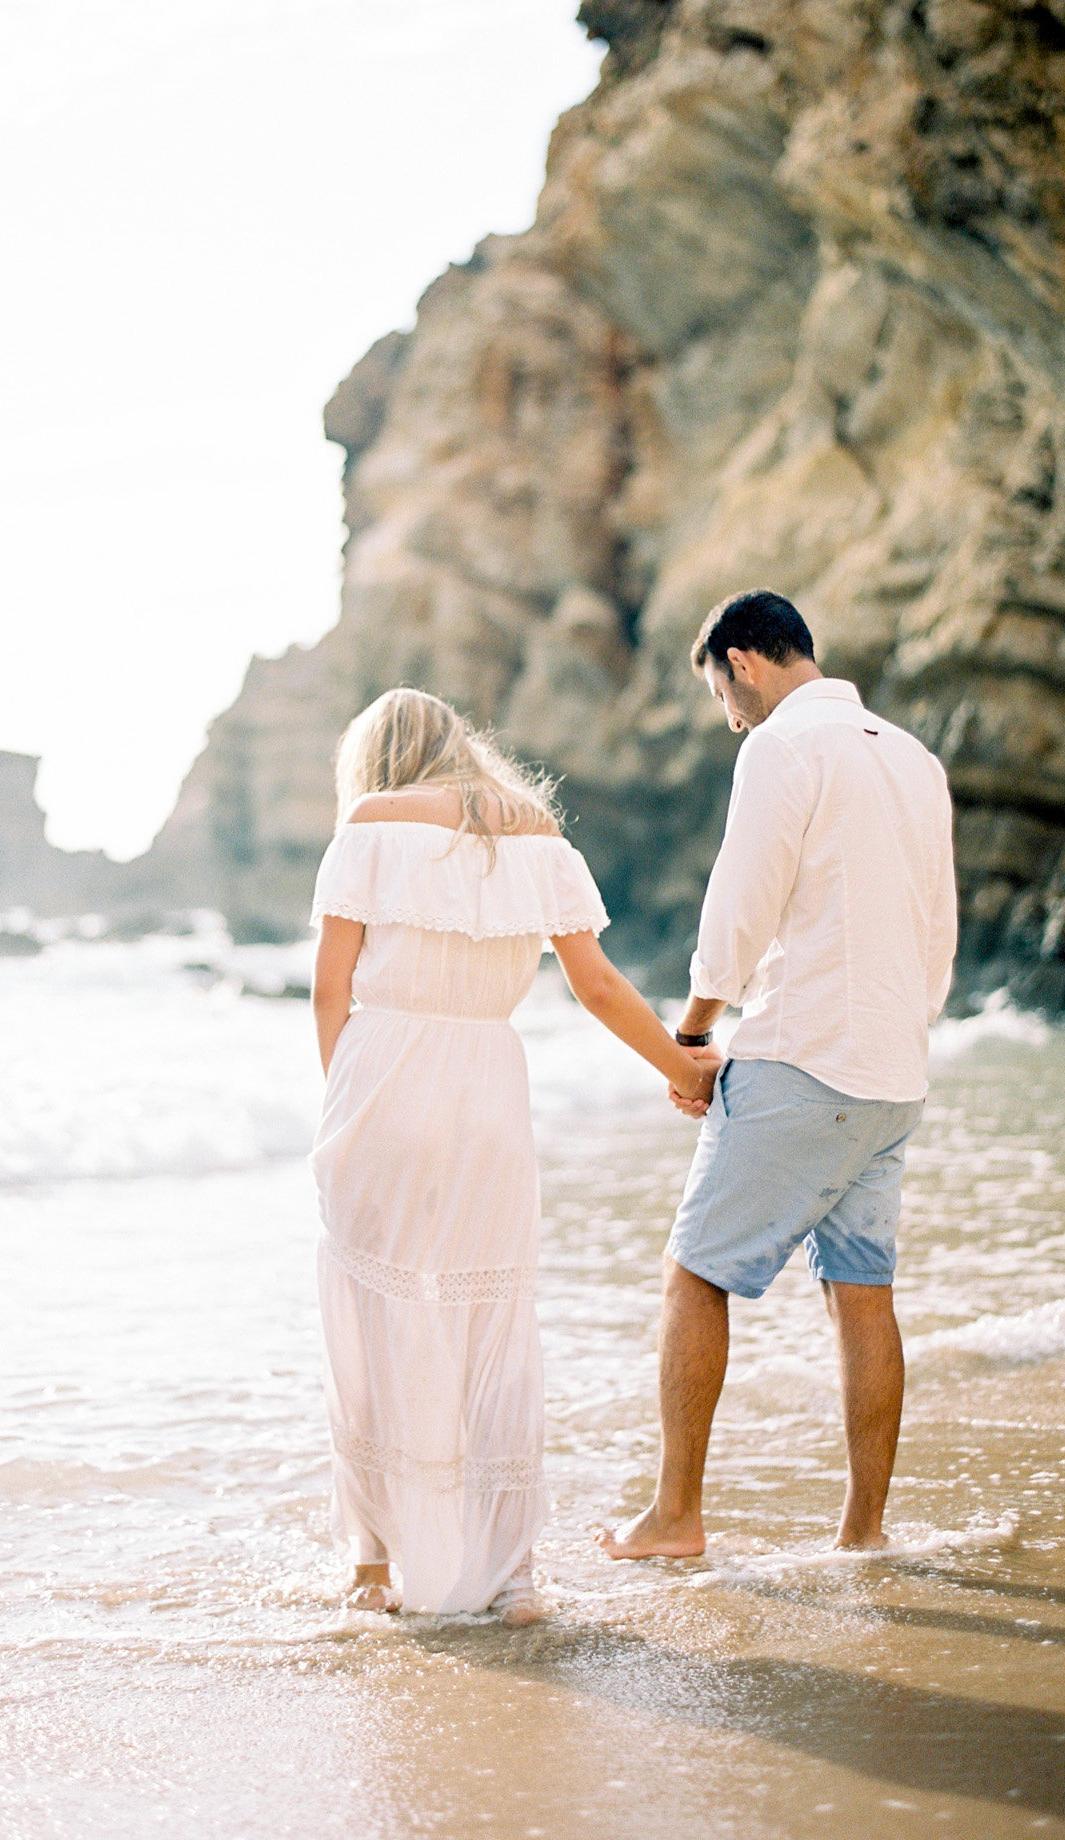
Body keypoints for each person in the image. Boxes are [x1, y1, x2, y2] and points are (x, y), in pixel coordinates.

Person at [309, 687, 719, 1623]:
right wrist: (683, 1068)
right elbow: (600, 987)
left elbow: (330, 992)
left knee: (371, 1318)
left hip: (381, 1079)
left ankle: (373, 1571)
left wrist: (346, 1106)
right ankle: (512, 1577)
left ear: (377, 761)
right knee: (493, 1320)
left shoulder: (369, 823)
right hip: (487, 1087)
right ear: (460, 747)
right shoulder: (537, 837)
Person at [597, 589, 957, 1561]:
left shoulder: (781, 747)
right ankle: (862, 1529)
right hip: (891, 1073)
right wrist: (899, 1033)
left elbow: (738, 908)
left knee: (693, 1274)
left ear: (742, 661)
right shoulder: (910, 756)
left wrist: (691, 1035)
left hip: (802, 1056)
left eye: (720, 689)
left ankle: (673, 1517)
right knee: (862, 1291)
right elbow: (938, 928)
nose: (726, 712)